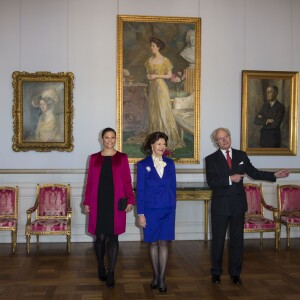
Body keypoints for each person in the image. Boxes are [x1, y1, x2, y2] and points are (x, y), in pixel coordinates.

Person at [205, 127, 289, 285]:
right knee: (218, 241)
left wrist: (274, 175)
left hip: (237, 205)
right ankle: (216, 272)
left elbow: (254, 173)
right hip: (220, 207)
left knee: (237, 241)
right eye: (221, 138)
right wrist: (231, 178)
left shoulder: (241, 155)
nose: (225, 140)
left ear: (230, 137)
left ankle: (235, 273)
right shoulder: (210, 159)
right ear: (216, 142)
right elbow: (212, 182)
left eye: (227, 136)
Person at [83, 127, 134, 288]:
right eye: (106, 137)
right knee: (100, 237)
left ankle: (111, 271)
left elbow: (127, 180)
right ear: (101, 139)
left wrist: (130, 200)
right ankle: (100, 266)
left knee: (113, 237)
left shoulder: (122, 157)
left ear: (116, 139)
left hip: (116, 202)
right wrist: (86, 202)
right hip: (98, 202)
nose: (110, 140)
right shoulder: (93, 158)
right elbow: (90, 182)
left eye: (112, 137)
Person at [128, 37, 185, 150]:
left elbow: (169, 75)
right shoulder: (149, 60)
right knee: (154, 111)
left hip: (161, 87)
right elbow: (148, 74)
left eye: (153, 45)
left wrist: (156, 76)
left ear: (158, 47)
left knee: (162, 110)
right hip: (153, 88)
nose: (151, 48)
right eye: (151, 45)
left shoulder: (165, 60)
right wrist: (149, 77)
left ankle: (165, 136)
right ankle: (155, 136)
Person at [136, 132, 176, 294]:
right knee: (153, 243)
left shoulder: (170, 163)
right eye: (159, 144)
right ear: (151, 145)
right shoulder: (142, 164)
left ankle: (162, 277)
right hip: (150, 211)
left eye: (164, 144)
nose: (162, 147)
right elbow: (140, 191)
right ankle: (155, 275)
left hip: (167, 210)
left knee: (164, 243)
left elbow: (173, 188)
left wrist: (173, 206)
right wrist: (141, 213)